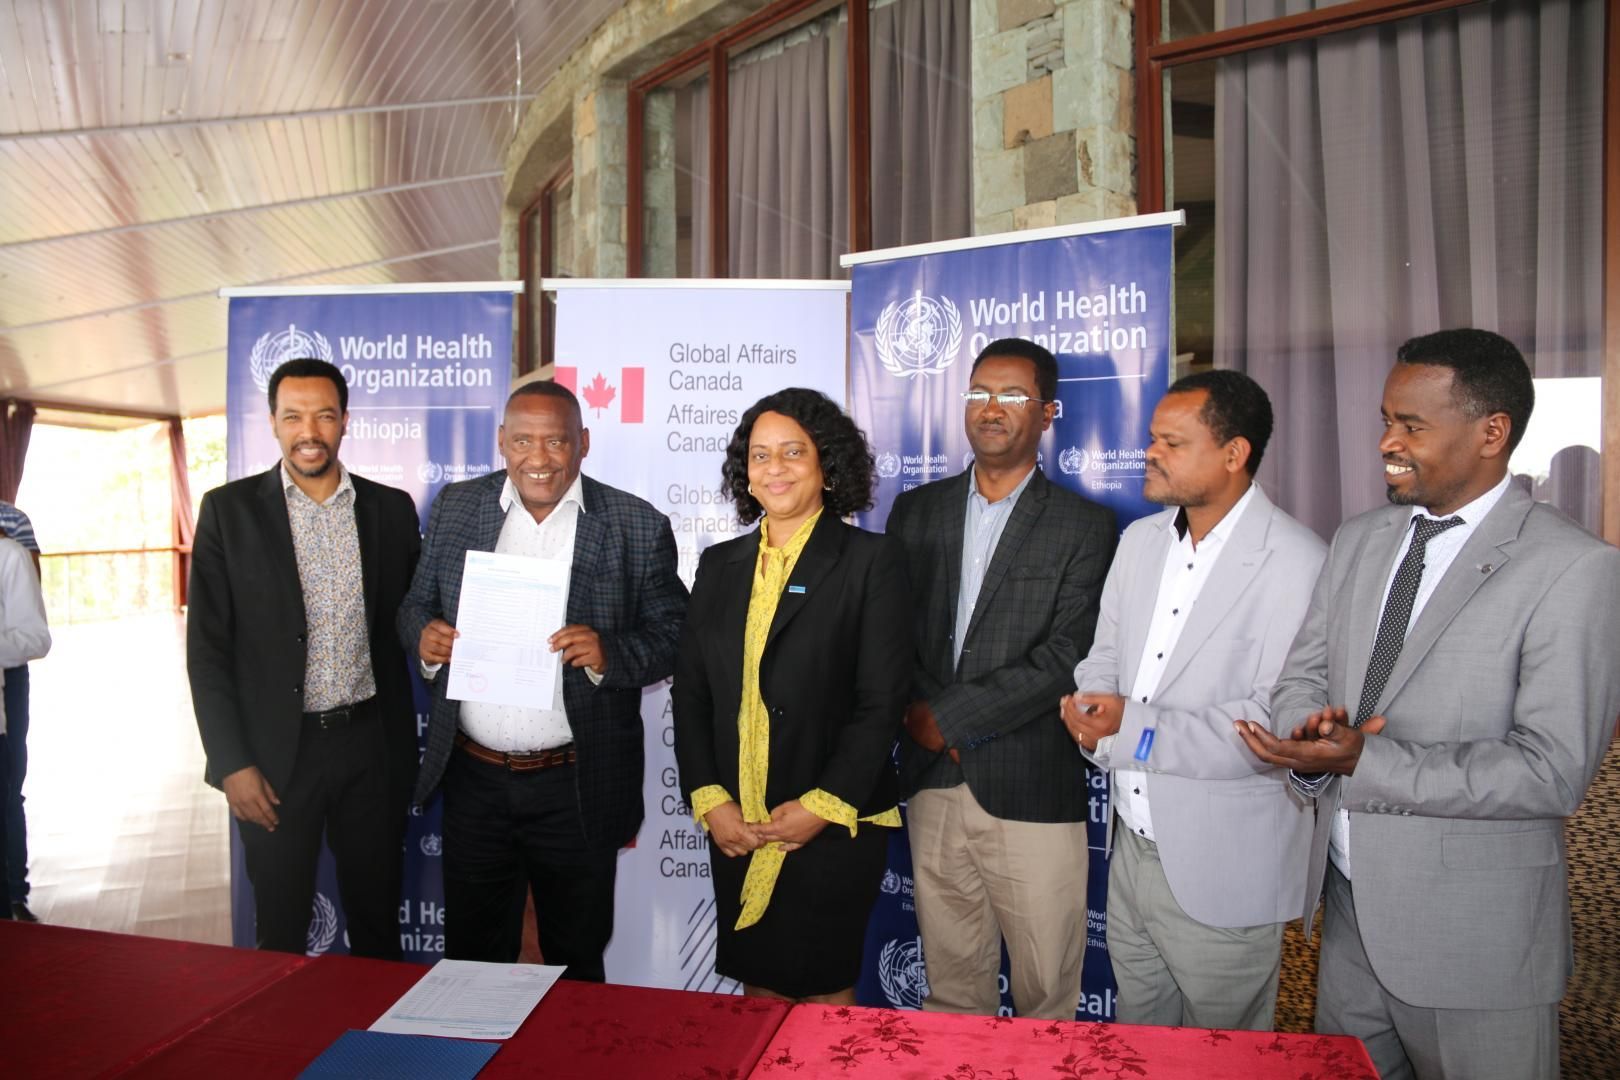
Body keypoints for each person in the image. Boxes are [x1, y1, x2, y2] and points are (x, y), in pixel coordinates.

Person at [1238, 329, 1620, 1080]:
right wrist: (1310, 742)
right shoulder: (1359, 539)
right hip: (1348, 919)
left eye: (1412, 425)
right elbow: (1301, 680)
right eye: (1387, 419)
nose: (1388, 442)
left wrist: (1365, 760)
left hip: (1473, 943)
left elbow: (1551, 772)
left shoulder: (1573, 568)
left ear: (1491, 432)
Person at [1063, 369, 1323, 1030]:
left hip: (1224, 870)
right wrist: (1091, 709)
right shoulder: (1140, 541)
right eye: (1153, 438)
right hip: (1131, 853)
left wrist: (1130, 730)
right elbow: (1104, 655)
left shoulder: (1297, 561)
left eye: (1172, 443)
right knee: (1141, 1051)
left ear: (1234, 454)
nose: (1151, 453)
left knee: (1226, 1059)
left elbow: (1270, 725)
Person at [400, 380, 687, 977]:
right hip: (475, 779)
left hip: (575, 783)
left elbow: (675, 635)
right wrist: (425, 640)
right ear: (501, 441)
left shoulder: (635, 523)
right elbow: (414, 605)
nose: (539, 457)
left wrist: (609, 653)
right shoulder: (457, 506)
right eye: (523, 440)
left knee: (574, 959)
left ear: (583, 443)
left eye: (556, 441)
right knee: (473, 958)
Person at [886, 337, 1114, 1020]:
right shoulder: (915, 512)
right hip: (933, 784)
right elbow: (890, 633)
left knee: (1048, 997)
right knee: (952, 991)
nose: (991, 408)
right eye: (979, 393)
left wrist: (949, 720)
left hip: (1031, 788)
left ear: (1047, 412)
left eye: (1012, 395)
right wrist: (923, 716)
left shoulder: (1084, 525)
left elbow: (1067, 654)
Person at [672, 388, 910, 1003]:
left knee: (822, 996)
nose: (774, 468)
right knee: (759, 990)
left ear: (827, 465)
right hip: (738, 821)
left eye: (793, 452)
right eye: (760, 455)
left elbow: (881, 703)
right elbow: (691, 694)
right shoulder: (719, 565)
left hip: (828, 823)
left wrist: (821, 806)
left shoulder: (870, 561)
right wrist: (711, 800)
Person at [188, 357, 421, 958]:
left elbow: (415, 620)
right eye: (293, 416)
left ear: (345, 420)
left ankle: (380, 1023)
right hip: (272, 757)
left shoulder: (391, 510)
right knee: (280, 928)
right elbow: (207, 652)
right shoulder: (228, 512)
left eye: (324, 415)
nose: (309, 431)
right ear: (272, 422)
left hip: (371, 748)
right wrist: (232, 763)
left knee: (377, 922)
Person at [0, 532, 49, 921]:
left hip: (8, 685)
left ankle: (14, 892)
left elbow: (36, 638)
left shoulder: (9, 556)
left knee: (7, 793)